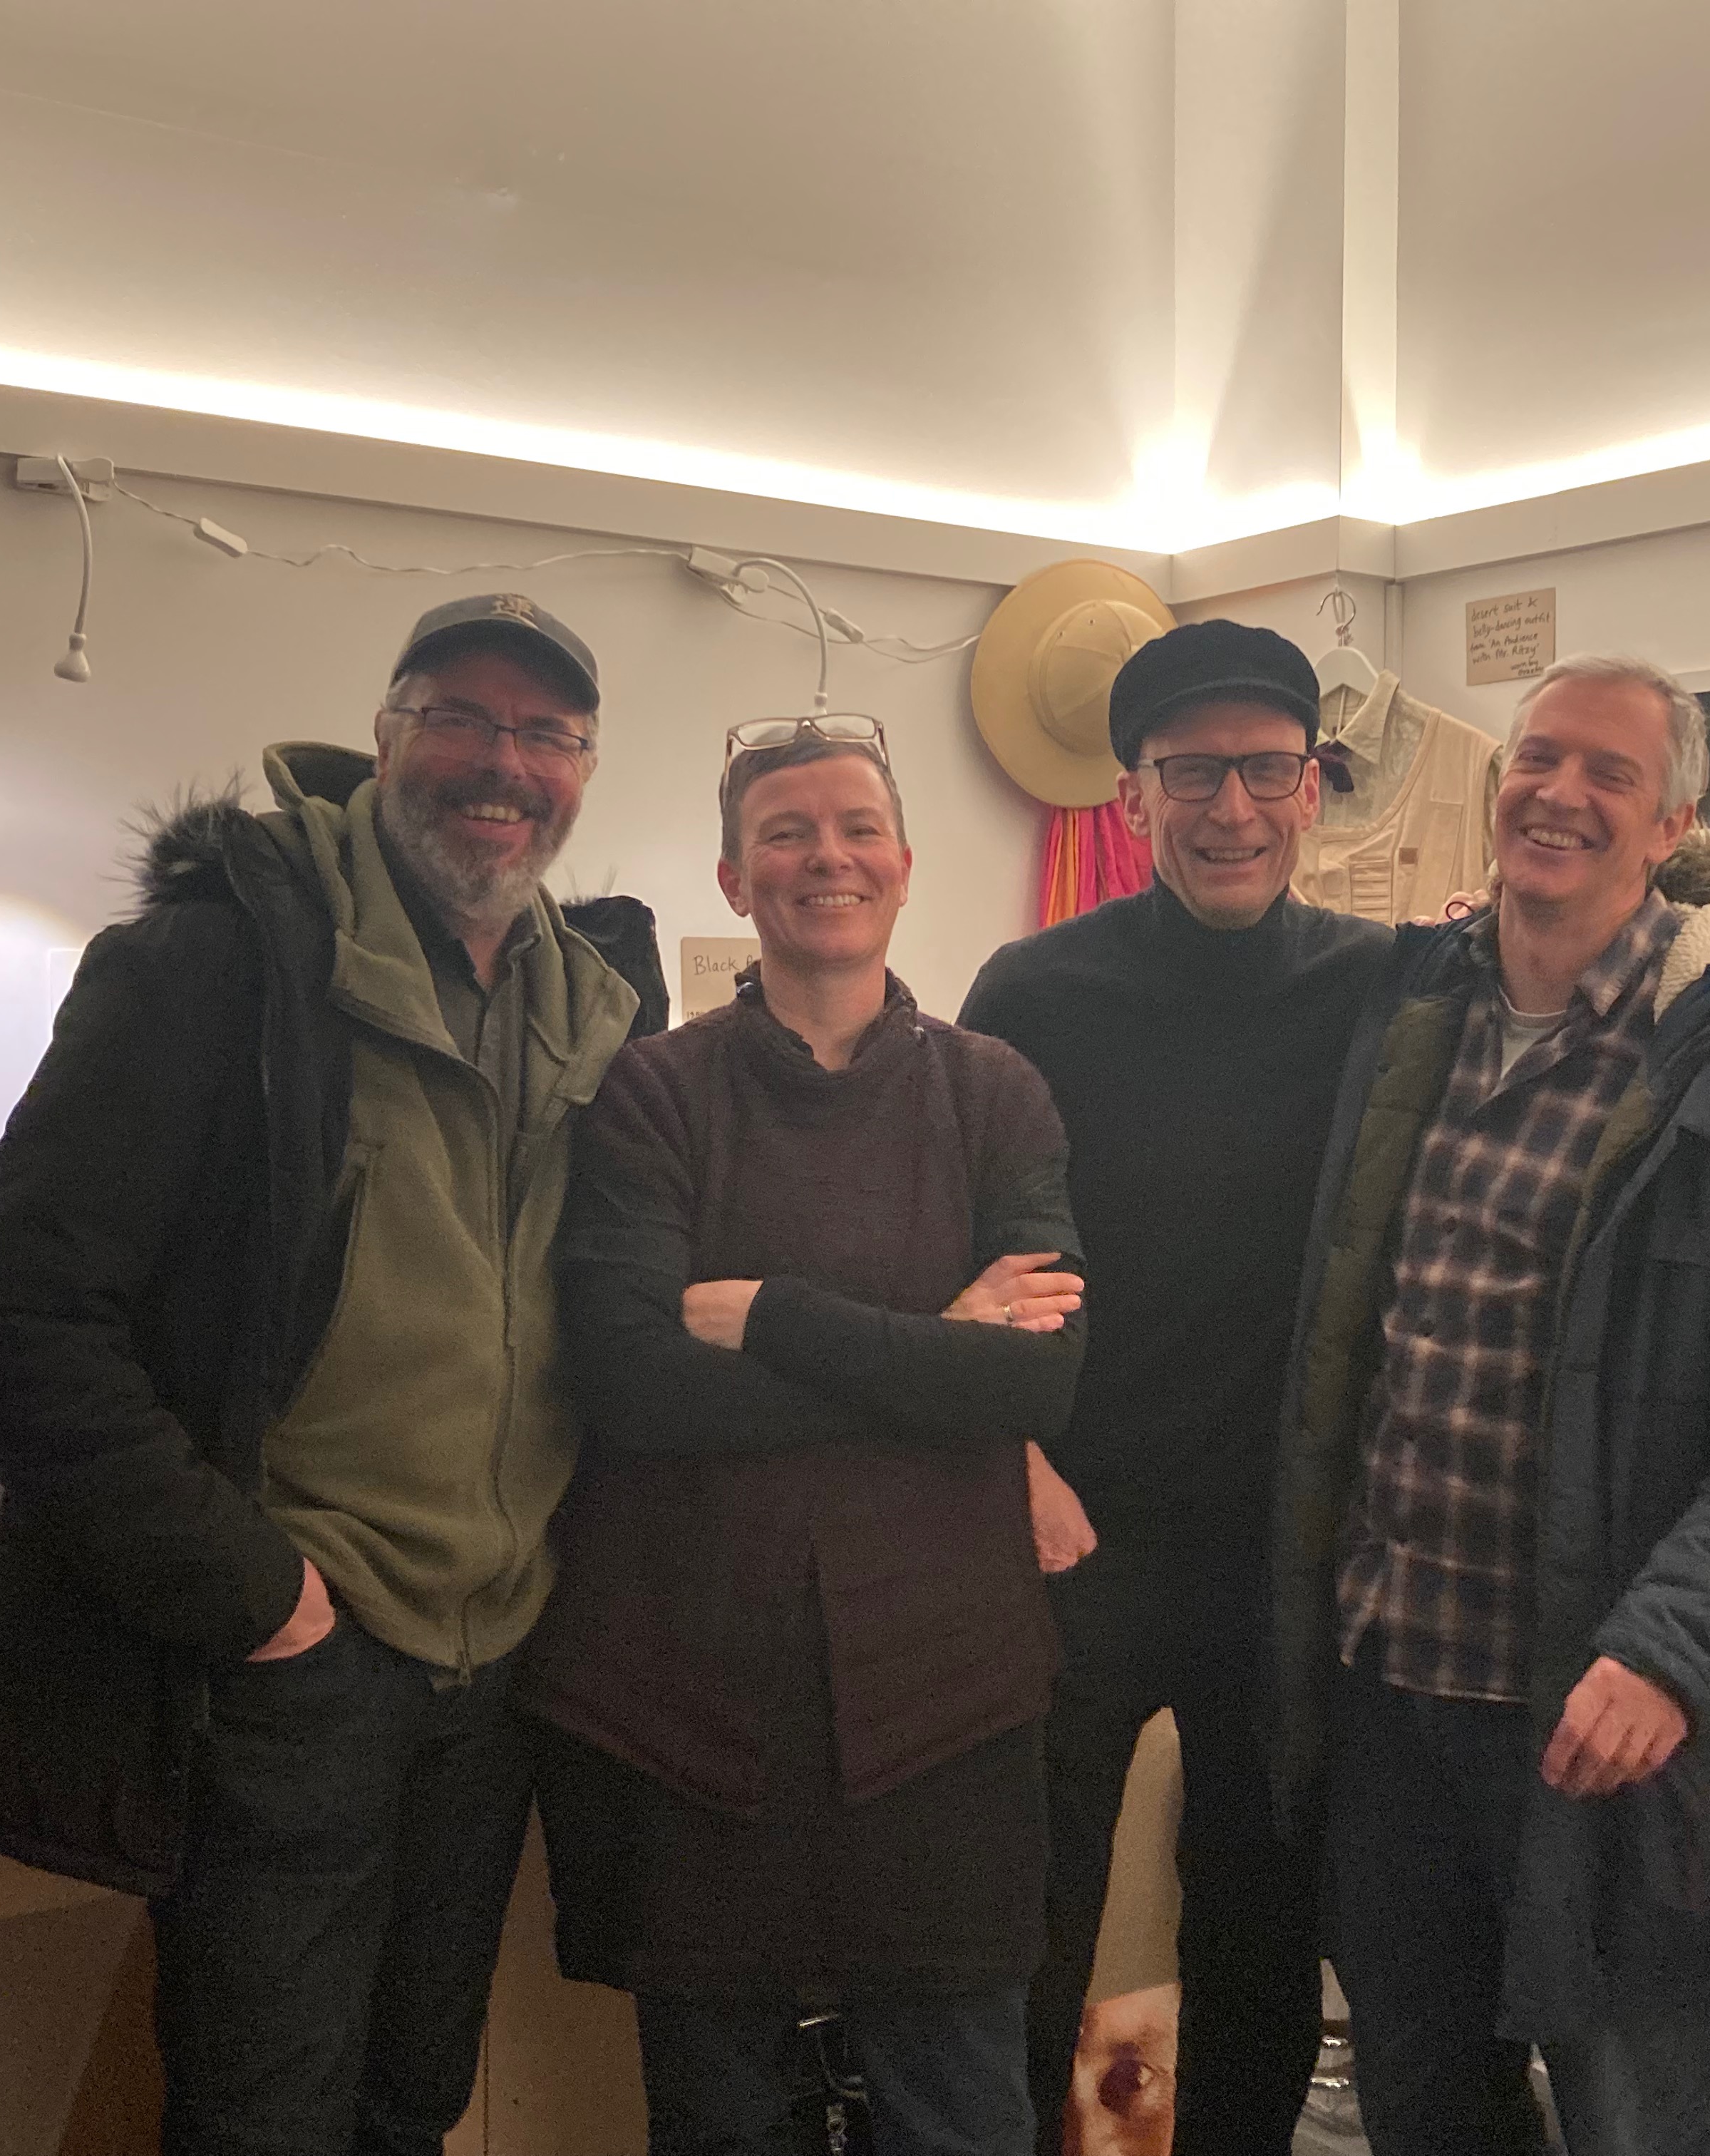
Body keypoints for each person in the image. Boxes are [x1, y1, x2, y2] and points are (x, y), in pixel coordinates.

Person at [0, 593, 659, 2156]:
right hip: (300, 1667)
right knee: (262, 2122)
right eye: (460, 717)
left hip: (498, 1671)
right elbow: (21, 1318)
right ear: (384, 737)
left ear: (585, 771)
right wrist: (259, 1599)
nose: (503, 762)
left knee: (411, 2107)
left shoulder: (594, 1007)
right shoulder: (214, 967)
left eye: (547, 733)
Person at [1267, 654, 1710, 2155]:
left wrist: (1671, 1652)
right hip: (1392, 1695)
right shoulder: (1413, 1005)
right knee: (1425, 2113)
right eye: (1538, 757)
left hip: (1609, 1726)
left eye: (1608, 773)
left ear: (1674, 819)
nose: (1559, 793)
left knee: (1638, 2117)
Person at [517, 714, 1087, 2155]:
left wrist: (777, 1316)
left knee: (964, 2116)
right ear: (734, 876)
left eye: (854, 829)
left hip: (949, 1699)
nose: (825, 857)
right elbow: (636, 1386)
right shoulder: (653, 1092)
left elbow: (1036, 1386)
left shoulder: (995, 1092)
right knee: (720, 2123)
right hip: (693, 1700)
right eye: (786, 834)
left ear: (902, 863)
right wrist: (936, 1345)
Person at [961, 620, 1394, 2154]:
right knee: (1028, 1920)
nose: (1233, 809)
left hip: (1286, 1546)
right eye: (1193, 773)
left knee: (1263, 1925)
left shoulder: (1380, 989)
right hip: (1075, 1528)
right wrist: (1012, 1460)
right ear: (1132, 797)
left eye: (1266, 771)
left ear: (1312, 789)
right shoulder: (1036, 990)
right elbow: (961, 1245)